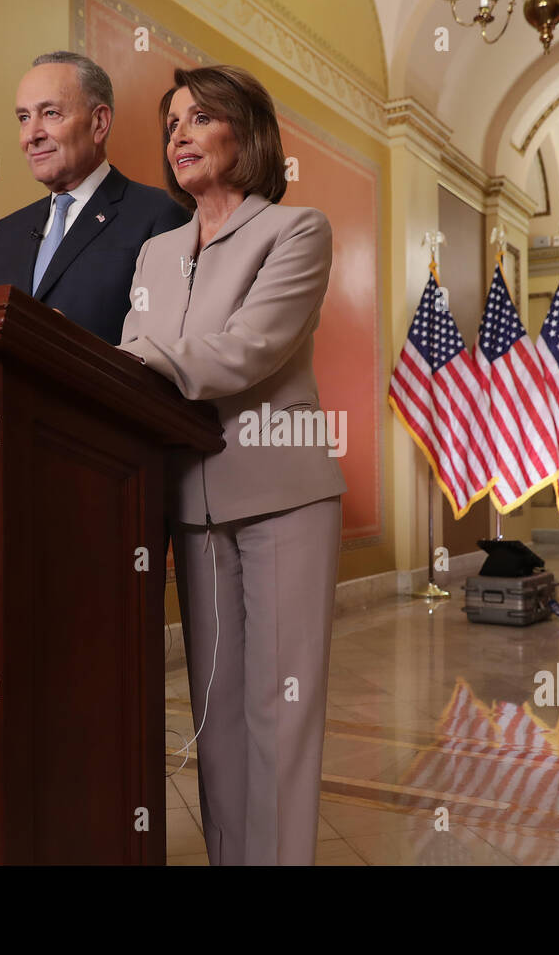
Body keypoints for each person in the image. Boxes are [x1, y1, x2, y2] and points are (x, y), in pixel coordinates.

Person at [117, 65, 346, 866]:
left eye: (199, 118)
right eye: (171, 122)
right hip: (191, 499)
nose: (179, 135)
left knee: (278, 714)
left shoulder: (296, 230)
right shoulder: (154, 253)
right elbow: (132, 354)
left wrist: (136, 362)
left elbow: (249, 350)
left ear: (245, 136)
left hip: (283, 493)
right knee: (216, 719)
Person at [0, 51, 189, 345]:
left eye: (50, 113)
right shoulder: (6, 232)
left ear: (99, 123)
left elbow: (163, 350)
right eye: (24, 118)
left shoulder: (159, 215)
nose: (31, 135)